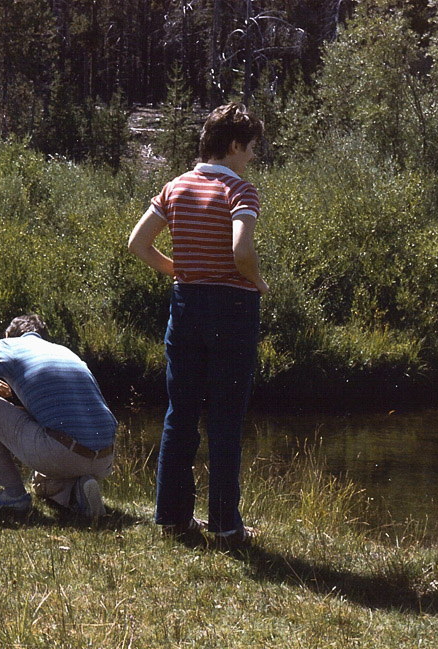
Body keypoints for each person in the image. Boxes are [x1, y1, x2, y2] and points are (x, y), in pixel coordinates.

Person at [127, 102, 268, 550]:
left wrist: (178, 270)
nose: (251, 158)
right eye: (249, 150)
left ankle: (171, 519)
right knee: (226, 419)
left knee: (180, 414)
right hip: (232, 310)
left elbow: (138, 243)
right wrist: (260, 282)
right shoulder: (241, 191)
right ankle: (225, 526)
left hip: (185, 306)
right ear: (233, 146)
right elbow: (241, 251)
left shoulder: (174, 187)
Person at [0, 314, 117, 520]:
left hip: (61, 452)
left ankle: (12, 495)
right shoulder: (65, 352)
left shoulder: (7, 346)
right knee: (41, 483)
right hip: (105, 457)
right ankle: (77, 491)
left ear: (9, 335)